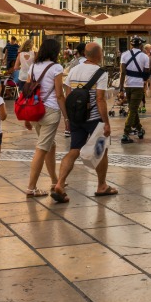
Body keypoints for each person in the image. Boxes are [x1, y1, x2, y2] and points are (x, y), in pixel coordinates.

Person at [53, 42, 116, 201]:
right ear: (98, 55)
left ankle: (60, 183)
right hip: (94, 118)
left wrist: (68, 118)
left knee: (74, 150)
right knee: (101, 151)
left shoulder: (74, 70)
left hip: (76, 117)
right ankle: (102, 186)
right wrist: (106, 122)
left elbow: (68, 95)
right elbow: (100, 99)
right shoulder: (100, 72)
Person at [23, 38, 66, 199]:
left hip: (35, 110)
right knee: (41, 148)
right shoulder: (56, 68)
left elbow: (27, 92)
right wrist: (67, 117)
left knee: (50, 145)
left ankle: (54, 180)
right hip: (50, 111)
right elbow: (59, 94)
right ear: (55, 52)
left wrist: (26, 116)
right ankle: (31, 187)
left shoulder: (33, 66)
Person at [119, 37, 150, 143]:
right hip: (138, 85)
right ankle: (126, 133)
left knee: (133, 108)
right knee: (132, 110)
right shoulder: (145, 57)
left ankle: (139, 129)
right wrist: (145, 82)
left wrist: (121, 88)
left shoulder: (124, 55)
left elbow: (122, 72)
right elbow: (146, 72)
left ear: (131, 45)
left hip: (127, 85)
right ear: (141, 45)